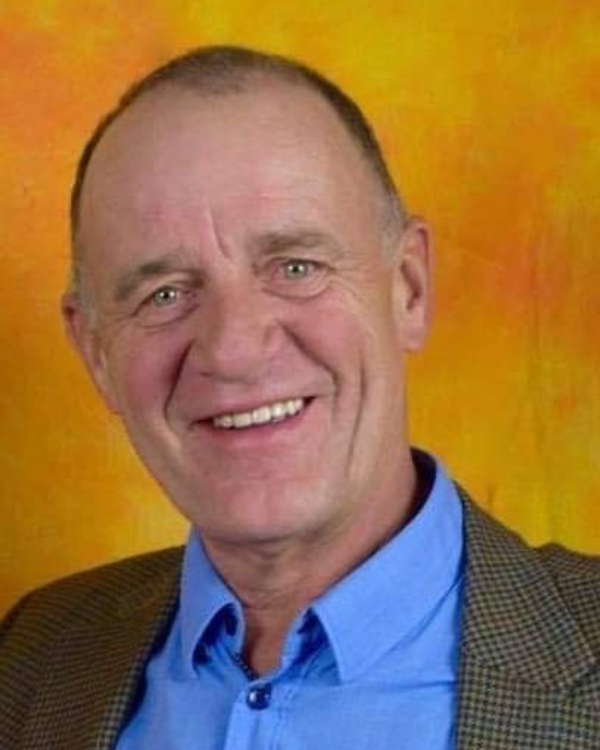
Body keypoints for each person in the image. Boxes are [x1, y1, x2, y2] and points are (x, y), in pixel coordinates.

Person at [1, 45, 599, 750]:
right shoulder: (31, 660)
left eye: (295, 267)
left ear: (408, 289)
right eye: (163, 294)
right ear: (96, 351)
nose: (233, 349)